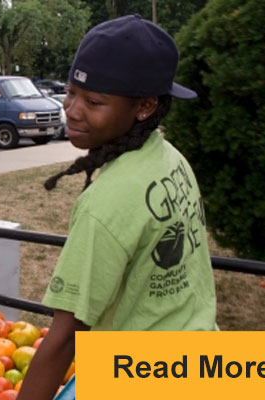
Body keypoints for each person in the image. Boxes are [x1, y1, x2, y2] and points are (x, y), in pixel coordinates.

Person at [17, 15, 217, 400]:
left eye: (93, 101)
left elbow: (64, 339)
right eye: (71, 91)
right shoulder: (170, 158)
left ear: (144, 107)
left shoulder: (105, 205)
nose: (72, 110)